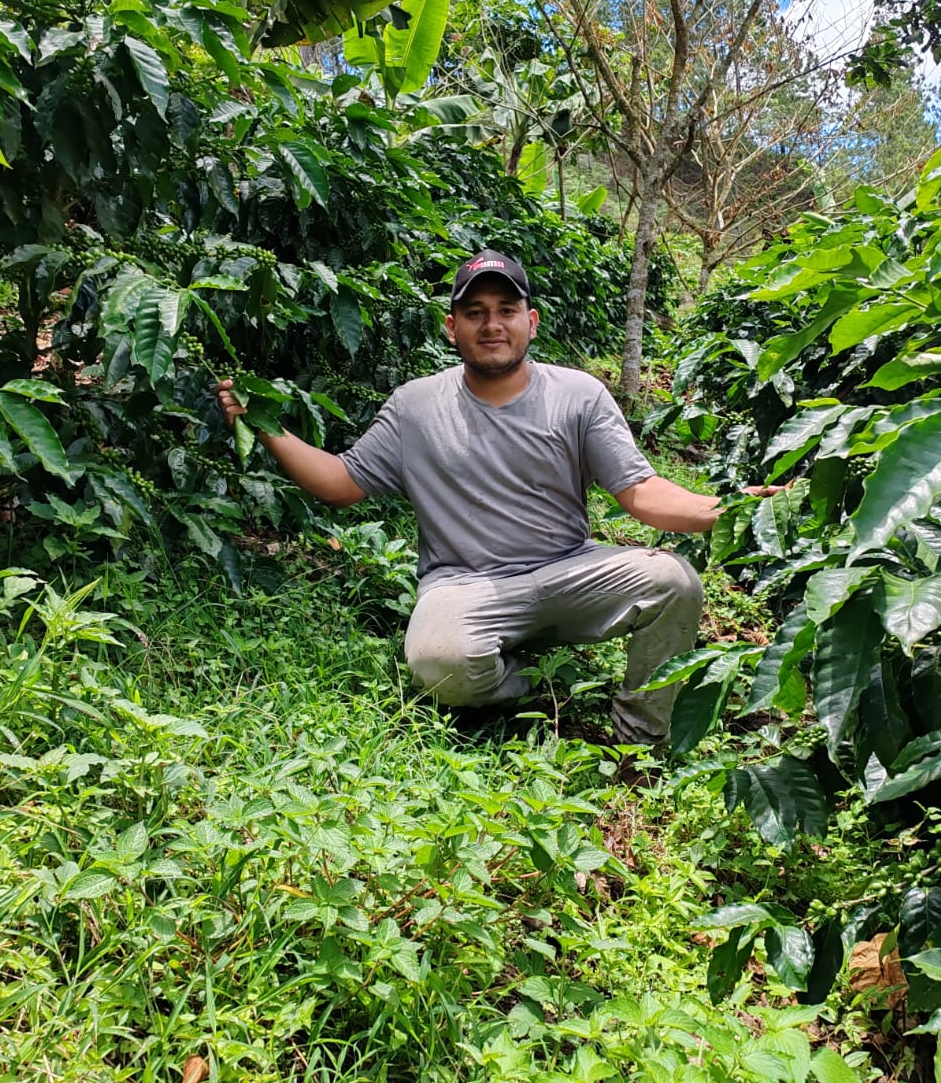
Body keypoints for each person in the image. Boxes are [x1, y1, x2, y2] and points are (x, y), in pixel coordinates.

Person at [218, 249, 743, 747]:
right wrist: (264, 426)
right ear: (452, 329)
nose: (492, 324)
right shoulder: (416, 407)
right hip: (465, 584)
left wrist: (728, 512)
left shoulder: (578, 395)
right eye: (474, 312)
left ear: (530, 322)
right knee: (438, 663)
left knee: (672, 581)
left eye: (506, 310)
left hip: (569, 571)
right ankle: (529, 684)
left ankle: (641, 736)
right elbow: (341, 482)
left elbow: (641, 492)